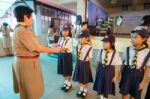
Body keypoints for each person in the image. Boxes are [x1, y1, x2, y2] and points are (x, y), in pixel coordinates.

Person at [12, 5, 67, 99]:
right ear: (25, 17)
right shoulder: (22, 30)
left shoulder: (23, 28)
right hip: (26, 63)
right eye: (31, 17)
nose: (32, 19)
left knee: (29, 90)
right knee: (30, 90)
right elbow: (37, 48)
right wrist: (56, 49)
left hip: (26, 61)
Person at [119, 29, 150, 99]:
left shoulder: (147, 52)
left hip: (138, 74)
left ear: (144, 39)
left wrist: (143, 82)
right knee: (124, 92)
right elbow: (124, 62)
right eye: (132, 37)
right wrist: (120, 73)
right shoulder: (128, 49)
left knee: (134, 94)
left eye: (135, 37)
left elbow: (147, 69)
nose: (132, 39)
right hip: (127, 72)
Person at [93, 35, 122, 99]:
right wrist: (96, 71)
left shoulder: (115, 53)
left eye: (106, 42)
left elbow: (116, 67)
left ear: (111, 43)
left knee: (107, 85)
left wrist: (115, 76)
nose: (104, 44)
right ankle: (101, 96)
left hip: (110, 72)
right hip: (101, 70)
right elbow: (98, 62)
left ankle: (105, 97)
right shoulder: (100, 51)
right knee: (100, 84)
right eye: (103, 42)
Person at [73, 31, 93, 98]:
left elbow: (90, 59)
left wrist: (90, 68)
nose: (81, 39)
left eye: (82, 38)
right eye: (80, 38)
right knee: (79, 78)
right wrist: (77, 64)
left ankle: (85, 90)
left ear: (87, 38)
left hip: (85, 64)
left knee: (85, 79)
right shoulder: (78, 46)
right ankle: (81, 89)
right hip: (79, 63)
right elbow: (76, 56)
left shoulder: (89, 47)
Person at [57, 24, 73, 92]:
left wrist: (55, 48)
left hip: (67, 56)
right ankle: (66, 83)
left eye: (66, 31)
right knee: (63, 70)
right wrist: (57, 47)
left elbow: (64, 48)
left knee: (67, 71)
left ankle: (69, 84)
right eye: (63, 30)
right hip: (60, 55)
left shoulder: (70, 39)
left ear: (69, 31)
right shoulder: (60, 38)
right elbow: (58, 45)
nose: (64, 32)